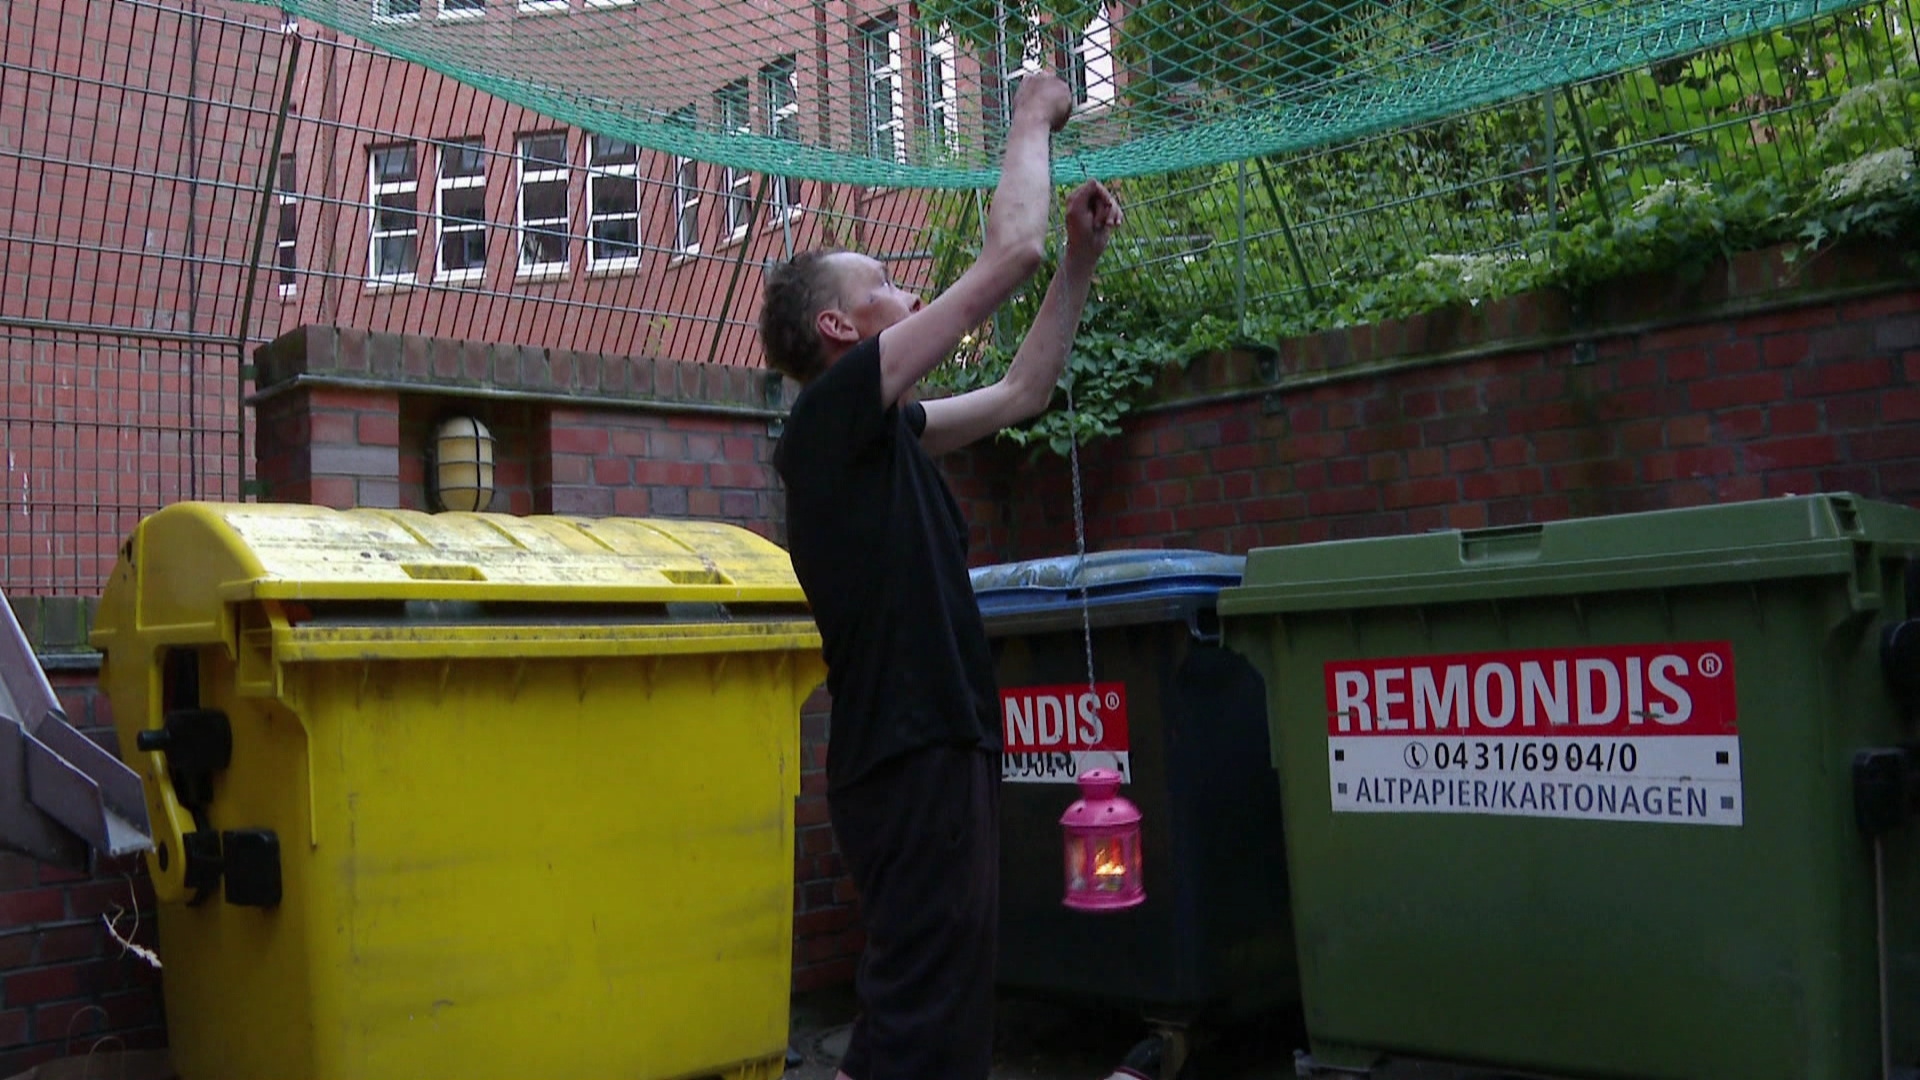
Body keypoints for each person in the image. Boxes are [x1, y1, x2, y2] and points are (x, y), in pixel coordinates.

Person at [760, 71, 1122, 1080]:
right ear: (839, 329)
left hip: (939, 746)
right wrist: (1027, 114)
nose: (906, 293)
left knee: (944, 1009)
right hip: (907, 756)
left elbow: (1021, 391)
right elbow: (1008, 254)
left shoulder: (889, 437)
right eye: (881, 285)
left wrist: (1081, 266)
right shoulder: (830, 420)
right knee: (919, 1021)